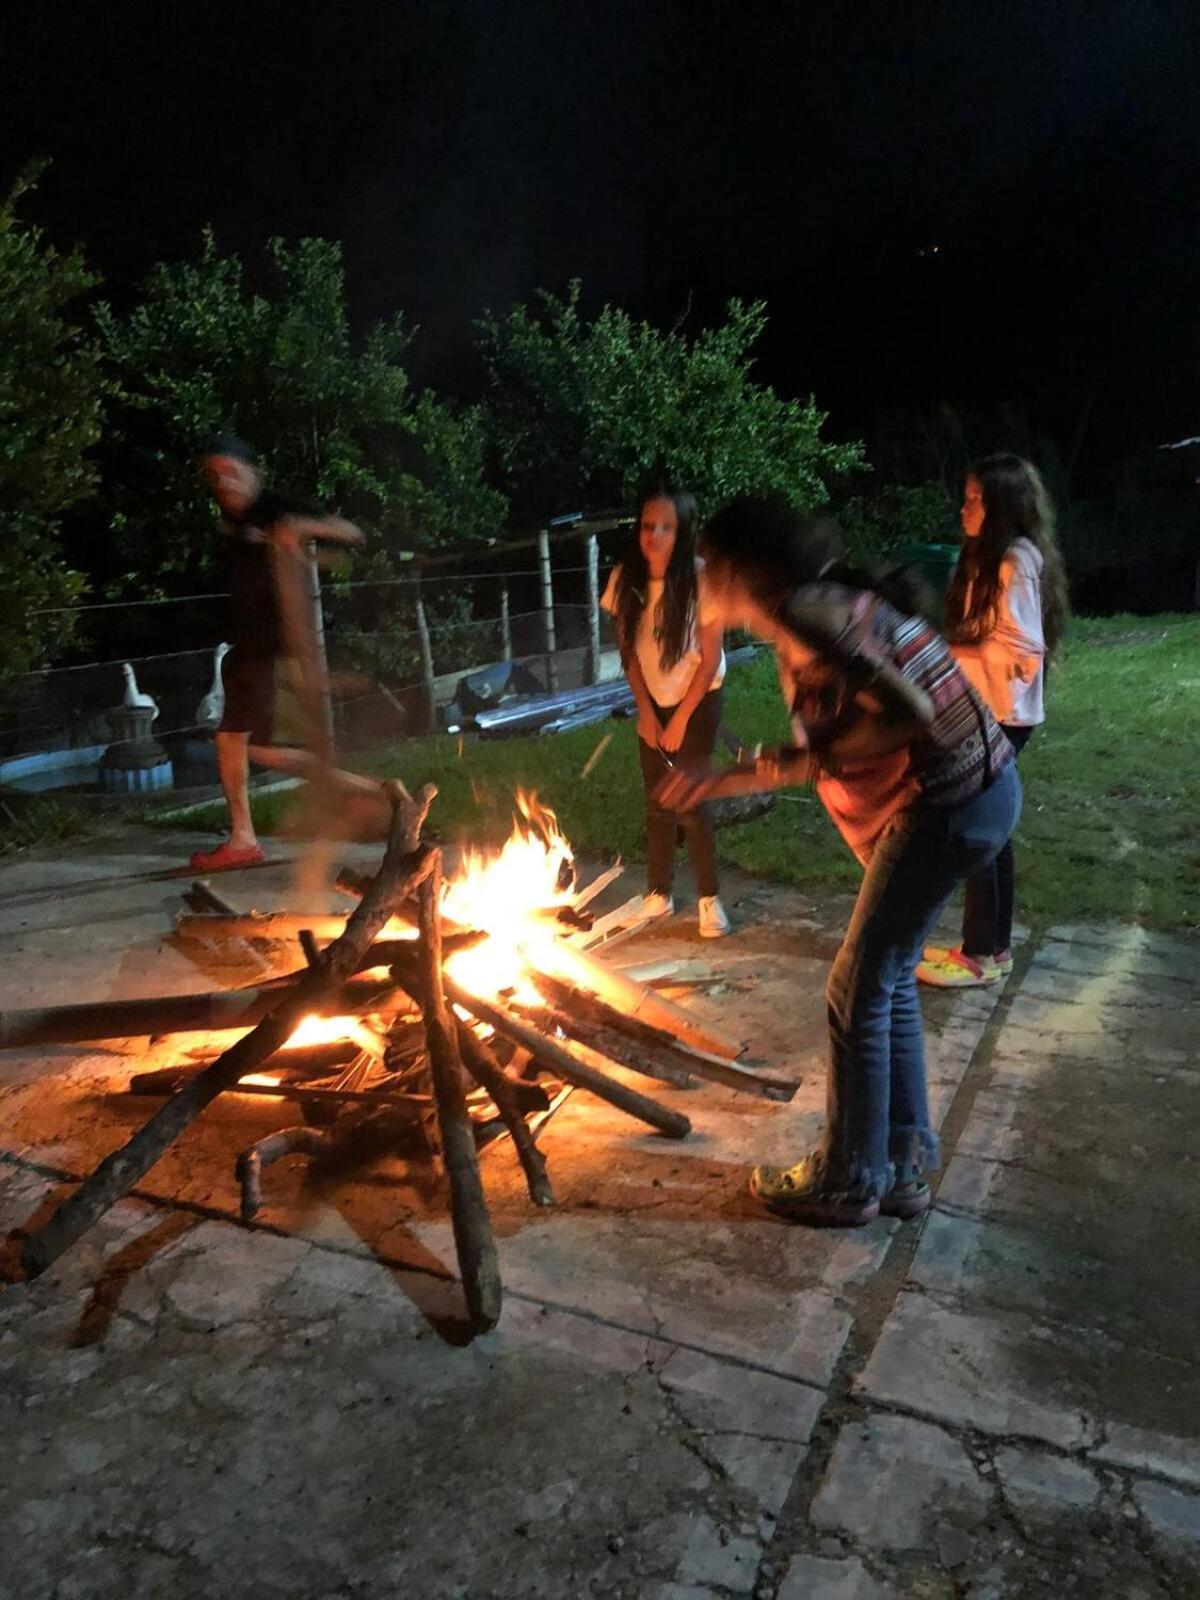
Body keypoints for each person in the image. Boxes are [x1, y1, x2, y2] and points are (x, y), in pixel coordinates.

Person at [656, 495, 1021, 1225]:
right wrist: (724, 779)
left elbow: (911, 713)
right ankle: (903, 1167)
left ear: (739, 568)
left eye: (706, 562)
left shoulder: (805, 613)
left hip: (948, 805)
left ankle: (849, 1179)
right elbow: (830, 747)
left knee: (854, 991)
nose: (695, 574)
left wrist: (809, 754)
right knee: (883, 984)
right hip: (981, 795)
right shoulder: (815, 608)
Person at [918, 454, 1067, 988]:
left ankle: (981, 952)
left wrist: (959, 651)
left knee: (979, 826)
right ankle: (991, 948)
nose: (965, 508)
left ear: (1002, 504)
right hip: (991, 711)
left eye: (976, 499)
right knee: (993, 831)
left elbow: (1026, 650)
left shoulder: (1014, 562)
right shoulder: (993, 557)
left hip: (1004, 715)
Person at [191, 436, 362, 873]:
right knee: (234, 741)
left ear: (255, 473)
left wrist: (301, 532)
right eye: (216, 474)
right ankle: (244, 837)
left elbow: (351, 533)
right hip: (248, 652)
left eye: (233, 471)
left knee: (261, 749)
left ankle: (374, 793)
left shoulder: (277, 508)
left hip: (275, 654)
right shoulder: (233, 521)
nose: (225, 481)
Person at [601, 488, 731, 938]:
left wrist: (679, 719)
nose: (653, 535)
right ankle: (658, 894)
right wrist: (647, 712)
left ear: (684, 532)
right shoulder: (625, 580)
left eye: (666, 527)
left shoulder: (703, 582)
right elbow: (629, 655)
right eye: (647, 525)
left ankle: (710, 899)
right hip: (653, 700)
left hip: (699, 695)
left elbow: (710, 659)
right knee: (657, 799)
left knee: (690, 800)